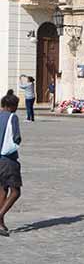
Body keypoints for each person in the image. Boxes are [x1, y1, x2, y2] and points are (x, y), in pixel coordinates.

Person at [0, 91, 23, 236]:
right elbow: (16, 137)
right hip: (8, 159)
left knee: (2, 189)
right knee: (15, 191)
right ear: (12, 106)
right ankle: (0, 215)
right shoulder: (12, 117)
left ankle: (0, 223)